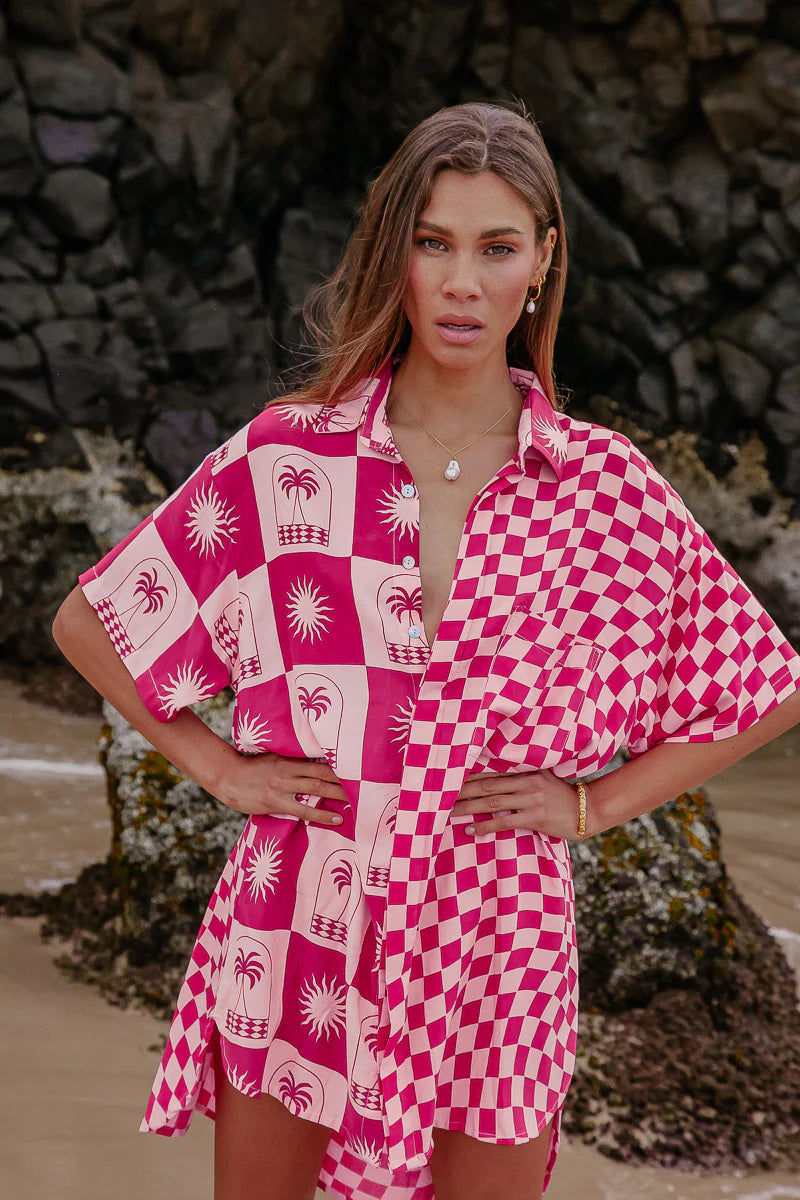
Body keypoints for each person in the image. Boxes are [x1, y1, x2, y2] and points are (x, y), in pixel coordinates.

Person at [52, 99, 800, 1200]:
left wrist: (591, 807)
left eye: (496, 248)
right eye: (432, 242)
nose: (461, 283)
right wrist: (216, 767)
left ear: (541, 262)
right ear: (394, 251)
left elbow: (764, 686)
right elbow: (91, 622)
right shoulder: (289, 457)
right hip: (302, 909)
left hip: (498, 937)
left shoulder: (601, 490)